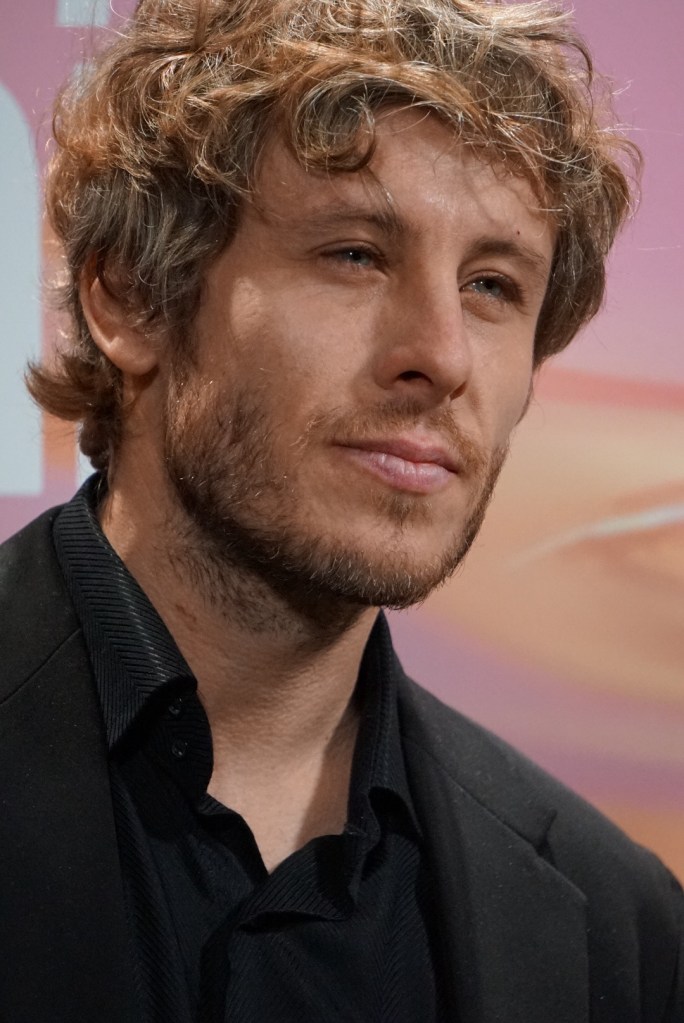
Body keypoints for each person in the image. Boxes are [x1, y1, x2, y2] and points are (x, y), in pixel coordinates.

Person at [1, 0, 681, 1019]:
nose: (442, 356)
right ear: (132, 298)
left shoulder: (623, 935)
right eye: (356, 254)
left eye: (493, 286)